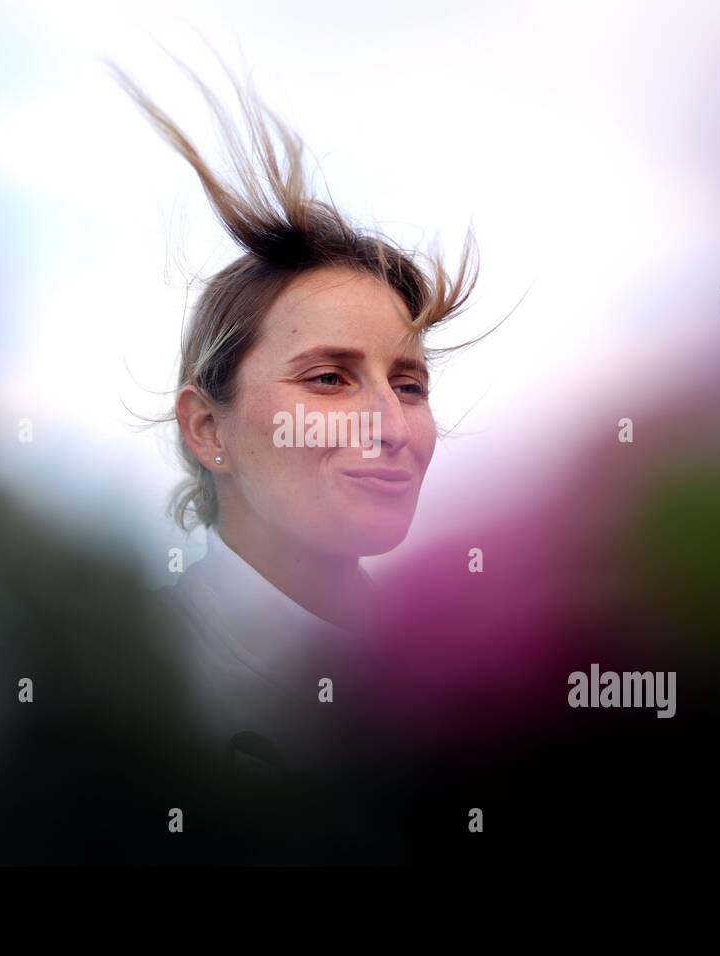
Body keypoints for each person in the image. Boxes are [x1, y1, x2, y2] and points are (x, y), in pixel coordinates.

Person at [109, 57, 480, 773]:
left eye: (409, 386)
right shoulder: (111, 682)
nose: (390, 426)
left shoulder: (468, 686)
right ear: (207, 428)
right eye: (329, 378)